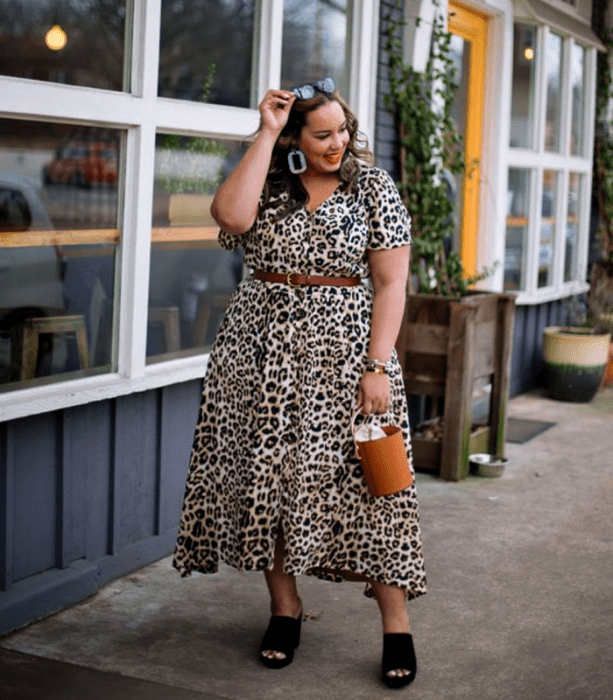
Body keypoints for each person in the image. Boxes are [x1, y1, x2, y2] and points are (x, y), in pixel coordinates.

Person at [173, 78, 426, 689]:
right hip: (260, 352)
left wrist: (376, 365)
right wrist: (264, 132)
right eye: (322, 134)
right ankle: (284, 611)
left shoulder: (372, 186)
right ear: (293, 135)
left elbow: (391, 284)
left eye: (342, 130)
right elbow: (230, 216)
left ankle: (397, 626)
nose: (337, 142)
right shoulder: (269, 180)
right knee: (269, 478)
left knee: (375, 488)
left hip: (349, 356)